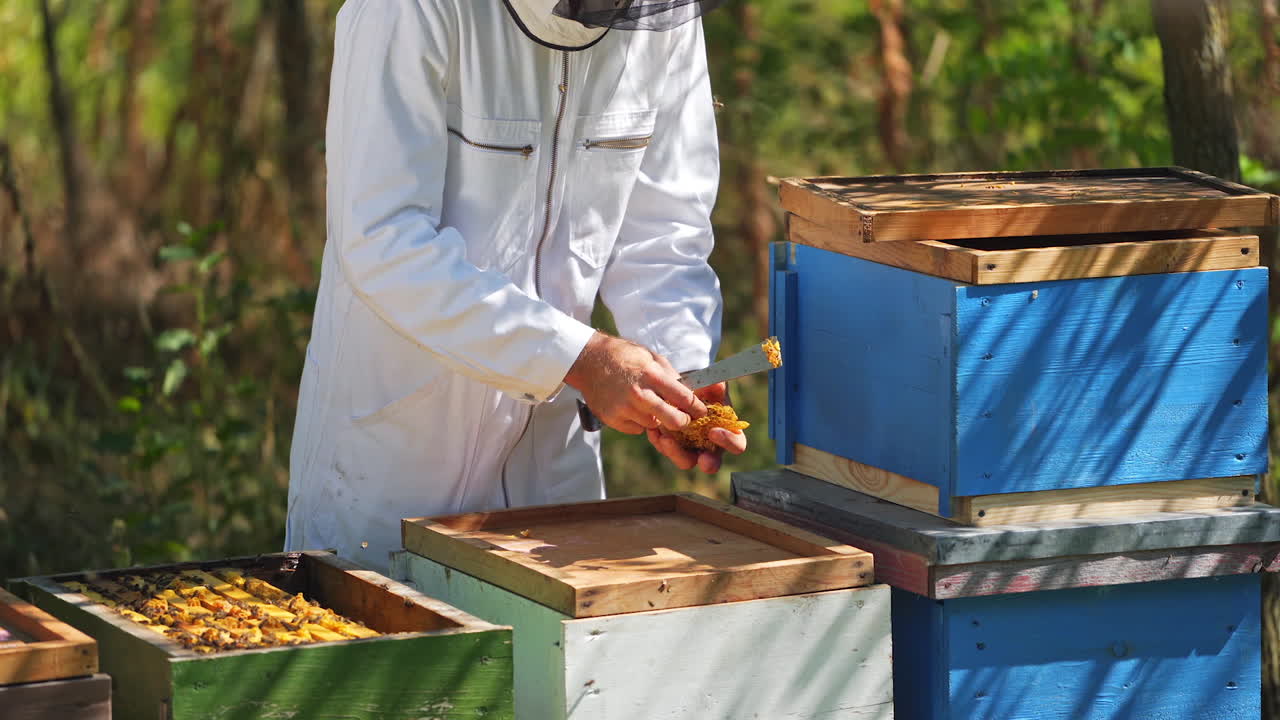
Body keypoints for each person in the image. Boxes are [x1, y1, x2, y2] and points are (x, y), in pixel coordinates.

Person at [285, 0, 743, 574]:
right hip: (390, 470)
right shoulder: (406, 10)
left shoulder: (659, 20)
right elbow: (382, 240)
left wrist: (682, 373)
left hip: (554, 478)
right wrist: (579, 358)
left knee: (561, 659)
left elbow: (664, 232)